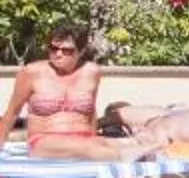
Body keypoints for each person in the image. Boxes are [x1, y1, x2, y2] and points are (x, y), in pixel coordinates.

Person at [3, 27, 141, 160]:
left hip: (86, 138)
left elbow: (90, 112)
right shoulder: (32, 72)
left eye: (67, 50)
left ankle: (148, 155)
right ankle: (127, 159)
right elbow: (12, 113)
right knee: (95, 149)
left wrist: (95, 138)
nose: (58, 54)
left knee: (134, 143)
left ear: (80, 52)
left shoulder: (91, 72)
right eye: (53, 49)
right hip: (45, 141)